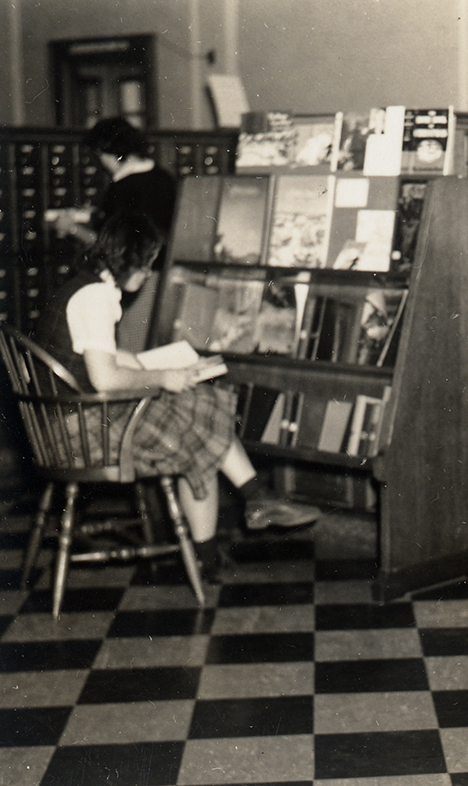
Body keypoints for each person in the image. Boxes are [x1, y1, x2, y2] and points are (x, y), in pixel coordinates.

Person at [32, 211, 319, 581]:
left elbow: (98, 356)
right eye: (148, 262)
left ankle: (227, 533)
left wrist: (146, 365)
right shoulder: (95, 297)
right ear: (132, 262)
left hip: (67, 420)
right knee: (200, 418)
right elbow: (104, 378)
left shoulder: (86, 286)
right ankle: (247, 506)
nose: (149, 271)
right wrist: (164, 376)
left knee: (198, 420)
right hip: (77, 432)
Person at [52, 117, 178, 352]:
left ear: (109, 152)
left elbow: (112, 245)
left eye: (100, 155)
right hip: (161, 277)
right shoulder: (163, 178)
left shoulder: (122, 188)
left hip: (134, 281)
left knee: (129, 346)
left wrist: (71, 228)